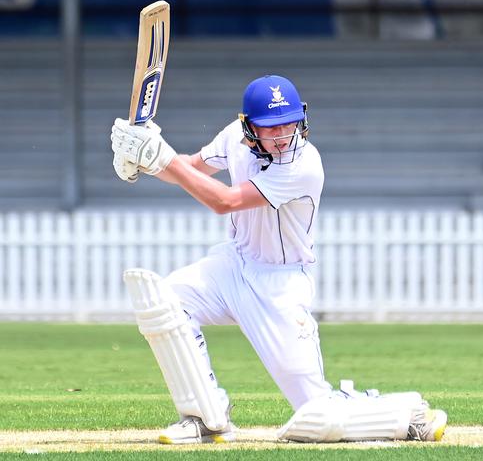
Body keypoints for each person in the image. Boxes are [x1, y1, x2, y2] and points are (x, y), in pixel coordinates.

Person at [110, 74, 447, 445]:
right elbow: (191, 168)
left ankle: (405, 414)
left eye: (288, 122)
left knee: (319, 416)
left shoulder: (305, 164)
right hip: (232, 267)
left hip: (280, 286)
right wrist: (145, 164)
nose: (282, 134)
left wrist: (161, 157)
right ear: (248, 127)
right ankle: (204, 417)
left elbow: (225, 202)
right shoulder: (232, 139)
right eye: (270, 127)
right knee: (165, 299)